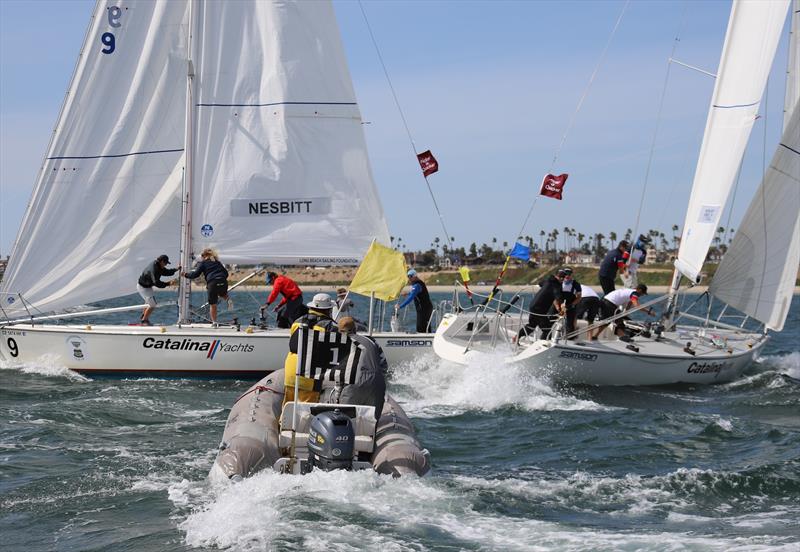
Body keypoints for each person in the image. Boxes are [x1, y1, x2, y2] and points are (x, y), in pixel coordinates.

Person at [182, 248, 230, 326]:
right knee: (221, 291)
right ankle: (226, 297)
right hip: (223, 282)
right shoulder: (217, 262)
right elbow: (226, 274)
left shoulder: (203, 263)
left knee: (213, 304)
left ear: (205, 256)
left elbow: (195, 275)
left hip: (212, 283)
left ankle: (214, 322)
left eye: (202, 256)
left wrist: (185, 274)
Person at [517, 270, 565, 341]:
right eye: (561, 277)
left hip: (534, 306)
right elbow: (559, 298)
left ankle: (516, 338)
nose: (562, 279)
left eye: (563, 277)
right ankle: (544, 345)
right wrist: (562, 309)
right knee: (547, 329)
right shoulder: (556, 286)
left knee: (531, 326)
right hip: (540, 309)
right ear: (557, 276)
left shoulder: (548, 280)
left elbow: (540, 283)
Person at [137, 254, 180, 325]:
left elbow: (166, 272)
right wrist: (168, 283)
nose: (166, 265)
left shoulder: (158, 265)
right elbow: (157, 283)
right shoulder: (154, 269)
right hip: (143, 287)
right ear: (162, 261)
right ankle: (144, 320)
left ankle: (143, 316)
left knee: (149, 302)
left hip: (147, 286)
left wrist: (176, 269)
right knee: (153, 304)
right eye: (166, 263)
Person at [557, 268, 582, 338]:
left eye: (569, 274)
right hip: (559, 303)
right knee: (551, 318)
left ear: (571, 275)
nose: (567, 276)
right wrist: (558, 307)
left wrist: (572, 305)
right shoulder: (559, 282)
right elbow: (554, 296)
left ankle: (569, 338)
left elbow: (579, 298)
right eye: (565, 274)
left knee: (570, 323)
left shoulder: (576, 284)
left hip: (570, 304)